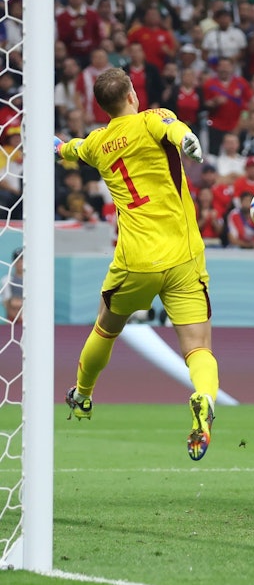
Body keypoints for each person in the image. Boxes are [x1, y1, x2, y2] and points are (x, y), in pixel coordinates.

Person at [54, 68, 219, 461]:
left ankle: (83, 393)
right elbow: (176, 131)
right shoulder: (151, 118)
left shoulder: (97, 143)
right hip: (184, 256)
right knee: (198, 348)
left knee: (105, 327)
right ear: (132, 94)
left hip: (136, 260)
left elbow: (70, 149)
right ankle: (204, 399)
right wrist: (190, 141)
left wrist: (56, 148)